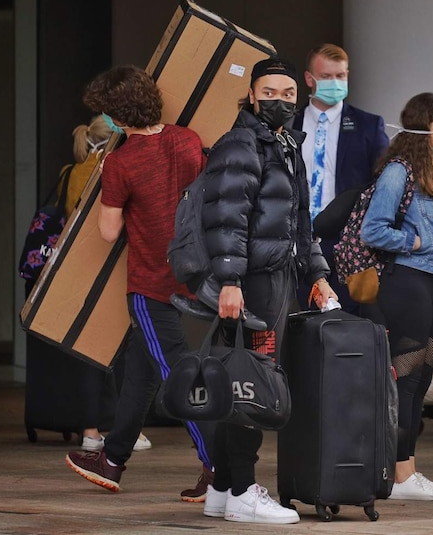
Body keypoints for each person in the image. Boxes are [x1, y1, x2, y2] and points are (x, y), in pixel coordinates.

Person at [64, 65, 212, 501]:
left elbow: (108, 232)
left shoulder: (120, 162)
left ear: (118, 115)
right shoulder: (187, 140)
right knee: (141, 375)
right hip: (190, 281)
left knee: (176, 376)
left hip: (150, 286)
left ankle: (218, 467)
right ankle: (112, 459)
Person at [198, 57, 335, 524]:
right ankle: (242, 490)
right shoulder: (240, 144)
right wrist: (231, 281)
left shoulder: (284, 144)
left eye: (289, 94)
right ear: (252, 95)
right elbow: (226, 217)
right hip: (252, 282)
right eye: (270, 93)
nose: (280, 101)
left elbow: (300, 221)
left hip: (276, 278)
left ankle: (221, 489)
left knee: (239, 376)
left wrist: (316, 274)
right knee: (252, 382)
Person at [361, 92, 433, 501]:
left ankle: (406, 468)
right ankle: (400, 475)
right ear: (424, 128)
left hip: (432, 282)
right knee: (406, 378)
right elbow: (374, 229)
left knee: (422, 376)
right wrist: (415, 240)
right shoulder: (397, 172)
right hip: (405, 282)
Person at [62, 115, 151, 454]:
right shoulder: (111, 169)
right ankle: (121, 429)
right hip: (114, 270)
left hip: (79, 273)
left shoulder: (71, 171)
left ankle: (90, 430)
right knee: (122, 352)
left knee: (88, 350)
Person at [291, 43, 388, 315]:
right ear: (309, 79)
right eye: (326, 77)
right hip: (300, 241)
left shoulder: (369, 125)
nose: (335, 83)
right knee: (306, 323)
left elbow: (382, 185)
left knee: (353, 326)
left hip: (350, 245)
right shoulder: (289, 124)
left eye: (341, 76)